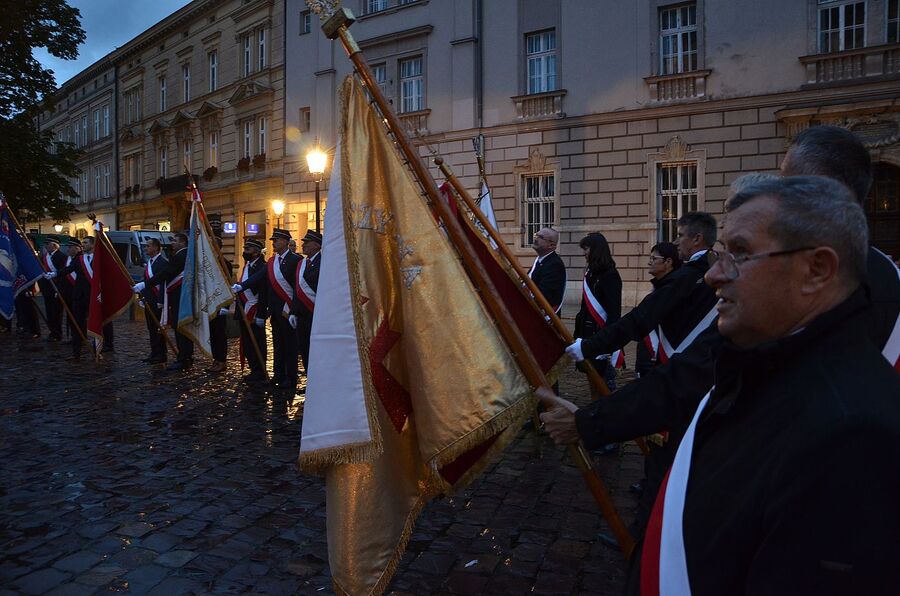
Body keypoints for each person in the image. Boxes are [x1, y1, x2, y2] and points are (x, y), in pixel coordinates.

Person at [543, 176, 900, 593]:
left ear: (816, 270)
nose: (714, 275)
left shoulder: (853, 436)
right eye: (723, 253)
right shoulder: (760, 364)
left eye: (741, 254)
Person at [781, 125, 899, 368]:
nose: (777, 195)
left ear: (817, 189)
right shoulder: (890, 275)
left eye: (784, 182)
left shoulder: (793, 278)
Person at [566, 212, 719, 370]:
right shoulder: (719, 269)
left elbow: (639, 319)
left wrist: (588, 347)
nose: (676, 242)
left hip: (684, 365)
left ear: (697, 239)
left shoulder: (686, 277)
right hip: (707, 363)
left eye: (680, 235)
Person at [234, 228, 300, 392]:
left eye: (276, 240)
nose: (274, 243)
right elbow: (259, 277)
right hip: (276, 310)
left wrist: (294, 310)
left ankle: (291, 377)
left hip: (288, 309)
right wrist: (241, 286)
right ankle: (278, 375)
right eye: (273, 241)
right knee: (278, 344)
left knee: (290, 346)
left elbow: (297, 288)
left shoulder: (296, 260)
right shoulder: (272, 261)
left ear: (285, 241)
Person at [133, 232, 193, 371]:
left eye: (175, 240)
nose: (172, 243)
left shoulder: (181, 256)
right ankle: (183, 357)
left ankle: (184, 359)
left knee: (181, 329)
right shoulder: (179, 256)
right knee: (176, 329)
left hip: (179, 298)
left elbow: (166, 274)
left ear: (183, 243)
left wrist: (145, 285)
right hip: (176, 298)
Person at [634, 242, 681, 377]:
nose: (649, 263)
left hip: (660, 358)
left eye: (654, 259)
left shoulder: (672, 291)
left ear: (668, 262)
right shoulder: (659, 286)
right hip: (647, 357)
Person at [233, 238, 268, 384]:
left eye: (248, 249)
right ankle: (253, 369)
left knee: (258, 343)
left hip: (254, 310)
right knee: (247, 343)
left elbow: (264, 292)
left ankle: (260, 370)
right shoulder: (247, 266)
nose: (244, 252)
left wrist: (261, 314)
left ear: (256, 252)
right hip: (244, 310)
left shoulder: (262, 267)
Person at [289, 229, 322, 375]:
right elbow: (297, 289)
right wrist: (293, 312)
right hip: (302, 314)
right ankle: (310, 379)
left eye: (307, 243)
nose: (303, 245)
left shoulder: (324, 262)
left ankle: (318, 380)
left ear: (316, 245)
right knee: (304, 348)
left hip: (316, 313)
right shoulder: (302, 263)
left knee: (317, 350)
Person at [139, 237, 168, 364]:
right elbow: (146, 282)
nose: (146, 248)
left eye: (148, 246)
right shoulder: (150, 262)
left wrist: (161, 300)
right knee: (151, 328)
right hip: (149, 300)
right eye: (146, 246)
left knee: (159, 328)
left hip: (158, 301)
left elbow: (163, 283)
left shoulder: (162, 262)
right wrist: (142, 296)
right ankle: (154, 352)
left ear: (156, 247)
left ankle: (161, 354)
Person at [207, 236, 232, 373]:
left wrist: (225, 306)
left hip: (220, 303)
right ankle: (216, 359)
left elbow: (227, 284)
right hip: (210, 303)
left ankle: (221, 360)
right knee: (212, 333)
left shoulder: (224, 262)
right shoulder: (208, 262)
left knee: (219, 333)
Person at [529, 227, 566, 315]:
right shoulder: (540, 260)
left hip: (543, 316)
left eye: (541, 237)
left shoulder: (554, 264)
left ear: (551, 245)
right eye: (536, 235)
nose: (536, 239)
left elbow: (544, 295)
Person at [38, 238, 66, 341]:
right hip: (47, 289)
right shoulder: (44, 257)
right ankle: (52, 331)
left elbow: (63, 274)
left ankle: (57, 333)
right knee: (49, 311)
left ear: (54, 245)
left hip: (56, 288)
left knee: (56, 312)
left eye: (48, 244)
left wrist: (59, 289)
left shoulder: (62, 257)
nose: (46, 246)